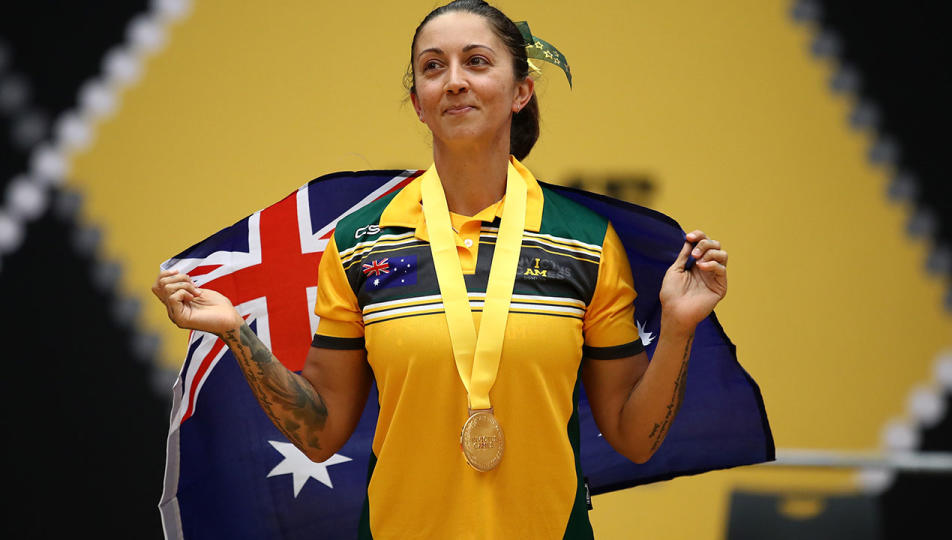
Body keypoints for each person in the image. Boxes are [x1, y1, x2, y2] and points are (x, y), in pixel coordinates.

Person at [152, 1, 728, 538]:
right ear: (418, 101)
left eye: (476, 62)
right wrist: (235, 332)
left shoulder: (585, 242)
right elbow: (321, 433)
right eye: (433, 67)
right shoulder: (357, 243)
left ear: (521, 90)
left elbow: (634, 436)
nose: (454, 80)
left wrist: (677, 328)